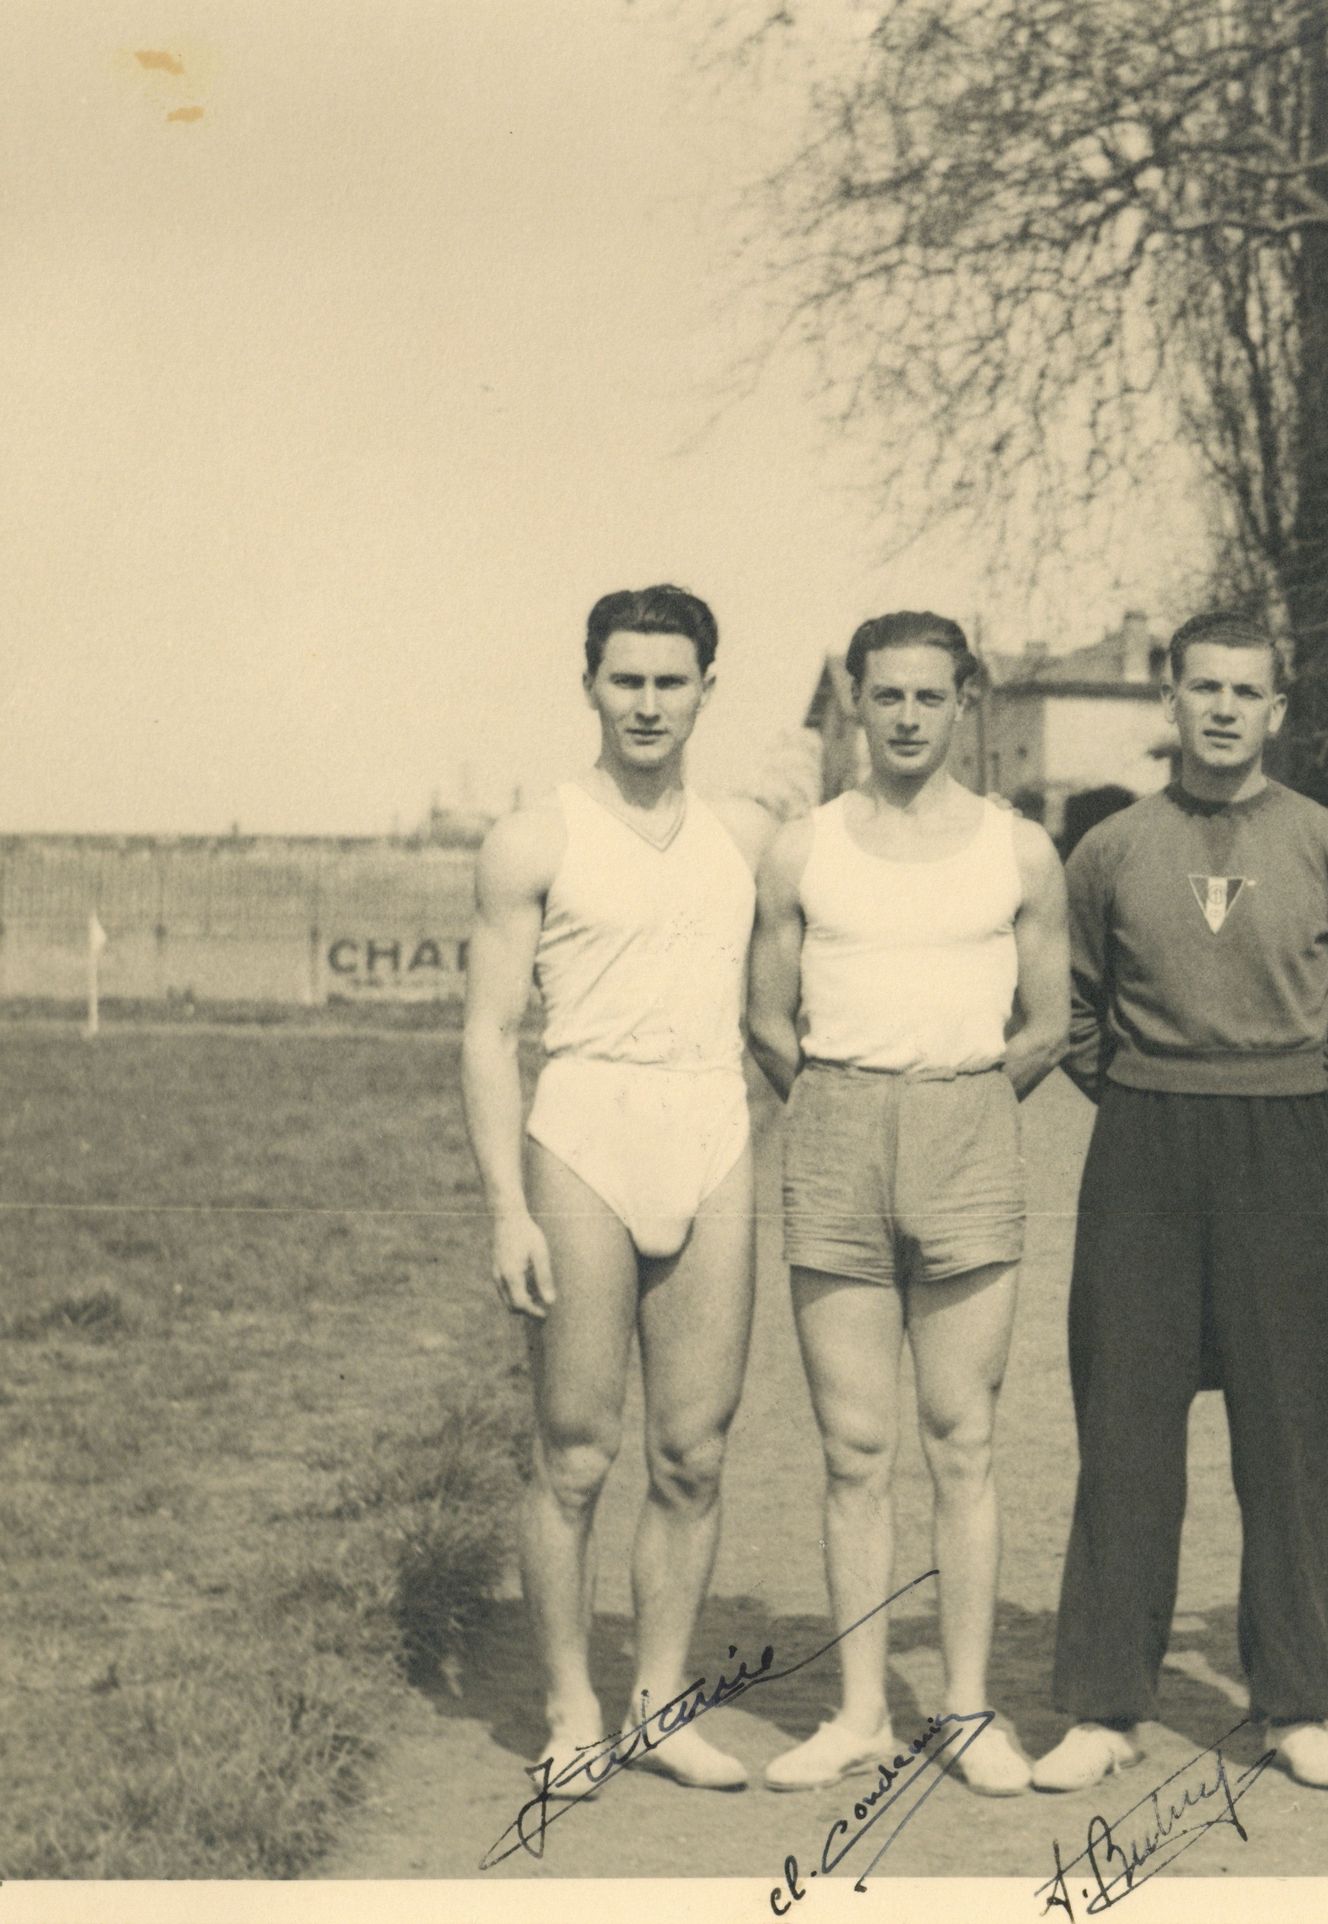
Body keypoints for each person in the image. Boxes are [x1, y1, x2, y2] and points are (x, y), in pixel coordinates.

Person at [1033, 610, 1328, 1795]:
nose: (1225, 709)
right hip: (1143, 1147)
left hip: (1283, 1144)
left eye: (1248, 691)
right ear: (1172, 700)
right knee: (1127, 1428)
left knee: (1286, 1439)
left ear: (1278, 708)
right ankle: (1103, 1702)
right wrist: (1141, 1093)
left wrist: (1305, 1101)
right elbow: (1075, 1002)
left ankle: (1295, 1701)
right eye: (1204, 688)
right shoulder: (1110, 848)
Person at [746, 612, 1071, 1798]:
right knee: (854, 1447)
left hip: (967, 1134)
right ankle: (859, 1712)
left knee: (962, 1438)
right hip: (834, 1133)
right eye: (885, 697)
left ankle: (970, 1710)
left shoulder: (1020, 851)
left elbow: (1047, 1023)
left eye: (931, 697)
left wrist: (963, 1102)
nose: (907, 718)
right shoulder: (802, 849)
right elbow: (767, 1017)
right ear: (854, 702)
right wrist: (842, 1103)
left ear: (967, 700)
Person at [461, 584, 777, 1796]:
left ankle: (657, 1703)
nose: (648, 703)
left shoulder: (745, 835)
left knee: (693, 1451)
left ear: (706, 687)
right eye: (625, 680)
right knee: (578, 1452)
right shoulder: (533, 838)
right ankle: (571, 1710)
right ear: (588, 683)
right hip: (585, 1125)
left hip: (711, 1125)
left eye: (671, 680)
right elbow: (490, 1034)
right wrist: (507, 1205)